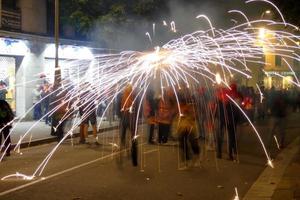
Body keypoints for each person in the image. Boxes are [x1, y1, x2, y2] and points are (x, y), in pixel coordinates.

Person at [175, 92, 200, 167]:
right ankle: (187, 160)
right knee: (183, 144)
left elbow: (194, 117)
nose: (181, 108)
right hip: (182, 130)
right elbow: (177, 120)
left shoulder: (191, 108)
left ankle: (197, 156)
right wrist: (177, 129)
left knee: (193, 143)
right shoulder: (179, 110)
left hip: (191, 129)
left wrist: (188, 115)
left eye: (182, 106)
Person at [117, 84, 138, 166]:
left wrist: (120, 115)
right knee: (131, 138)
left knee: (126, 137)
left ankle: (124, 153)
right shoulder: (134, 96)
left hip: (126, 118)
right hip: (129, 119)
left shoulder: (124, 96)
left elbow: (118, 107)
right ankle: (133, 159)